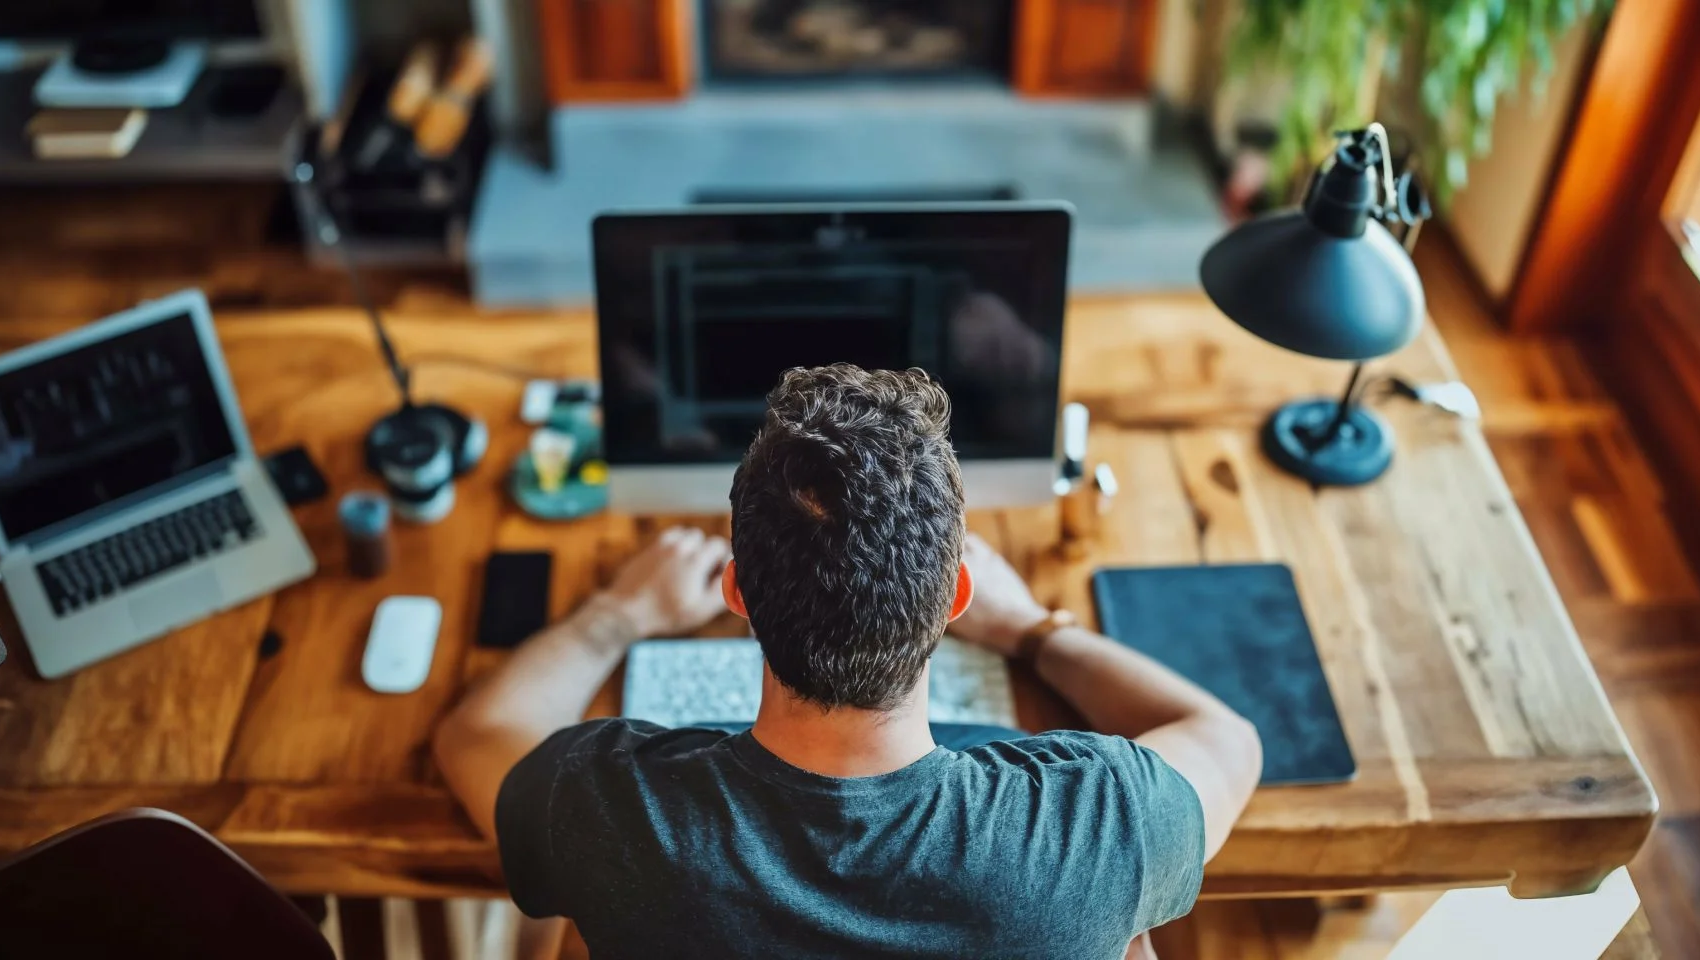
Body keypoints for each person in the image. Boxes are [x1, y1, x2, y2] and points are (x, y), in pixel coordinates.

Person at [435, 365, 1262, 960]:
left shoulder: (612, 816)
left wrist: (616, 614)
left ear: (738, 591)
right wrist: (1032, 632)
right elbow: (1226, 740)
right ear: (956, 596)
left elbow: (478, 734)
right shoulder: (1097, 826)